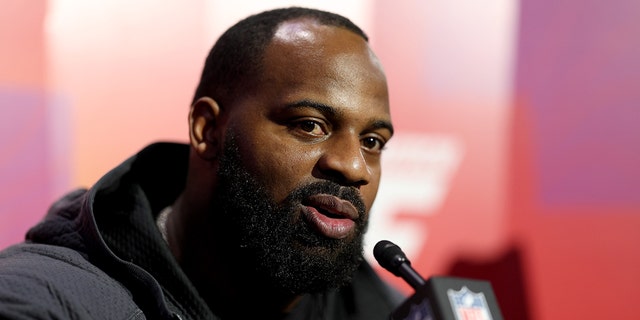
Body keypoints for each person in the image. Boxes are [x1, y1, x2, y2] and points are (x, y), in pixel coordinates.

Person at [0, 7, 402, 319]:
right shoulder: (48, 298)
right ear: (208, 129)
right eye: (310, 125)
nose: (354, 167)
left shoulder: (396, 310)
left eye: (372, 141)